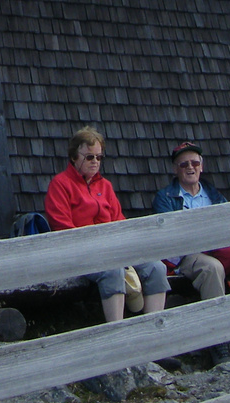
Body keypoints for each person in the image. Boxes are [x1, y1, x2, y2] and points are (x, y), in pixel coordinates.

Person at [152, 141, 230, 359]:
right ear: (175, 169)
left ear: (202, 166)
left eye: (195, 163)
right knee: (212, 267)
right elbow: (170, 237)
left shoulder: (214, 194)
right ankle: (218, 339)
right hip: (189, 254)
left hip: (224, 249)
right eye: (183, 165)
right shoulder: (165, 197)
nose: (190, 168)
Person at [44, 126, 169, 322]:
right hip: (81, 253)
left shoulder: (105, 186)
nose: (95, 162)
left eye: (99, 157)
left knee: (157, 268)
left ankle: (154, 333)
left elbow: (119, 221)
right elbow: (63, 228)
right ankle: (116, 332)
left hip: (115, 249)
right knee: (113, 270)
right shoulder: (60, 184)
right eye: (89, 157)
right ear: (74, 157)